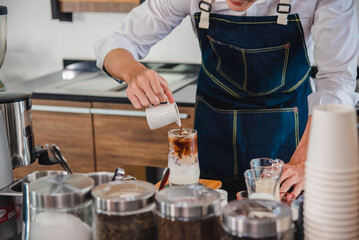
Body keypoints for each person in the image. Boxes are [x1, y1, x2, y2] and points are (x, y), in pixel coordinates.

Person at [94, 0, 359, 199]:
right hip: (214, 131)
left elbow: (338, 77)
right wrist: (133, 71)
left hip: (291, 132)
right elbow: (118, 42)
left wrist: (305, 159)